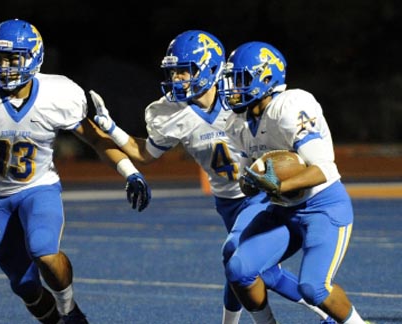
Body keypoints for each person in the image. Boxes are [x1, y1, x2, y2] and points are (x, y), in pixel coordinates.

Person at [90, 30, 335, 323]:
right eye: (174, 72)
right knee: (257, 271)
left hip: (259, 194)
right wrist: (112, 129)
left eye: (185, 71)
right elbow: (146, 155)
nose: (177, 79)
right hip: (227, 201)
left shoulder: (240, 94)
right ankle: (327, 313)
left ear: (209, 68)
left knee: (235, 256)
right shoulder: (170, 112)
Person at [0, 18, 151, 324]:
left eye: (13, 58)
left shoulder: (55, 95)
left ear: (34, 58)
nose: (4, 66)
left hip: (38, 188)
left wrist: (130, 171)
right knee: (23, 285)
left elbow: (95, 139)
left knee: (43, 250)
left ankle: (69, 309)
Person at [219, 41, 368, 323]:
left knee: (314, 288)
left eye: (241, 80)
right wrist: (251, 182)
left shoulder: (290, 107)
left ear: (265, 79)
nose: (234, 88)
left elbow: (323, 168)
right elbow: (246, 180)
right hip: (282, 210)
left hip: (322, 207)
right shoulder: (236, 123)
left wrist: (276, 184)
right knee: (239, 268)